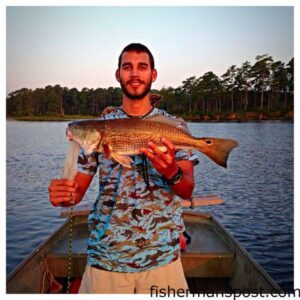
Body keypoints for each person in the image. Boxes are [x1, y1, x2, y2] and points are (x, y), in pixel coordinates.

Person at [48, 43, 198, 294]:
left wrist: (171, 171)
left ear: (154, 74)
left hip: (163, 258)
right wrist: (63, 196)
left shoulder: (174, 126)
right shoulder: (100, 127)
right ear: (118, 74)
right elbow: (77, 192)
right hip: (107, 257)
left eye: (142, 67)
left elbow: (187, 190)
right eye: (127, 67)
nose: (135, 74)